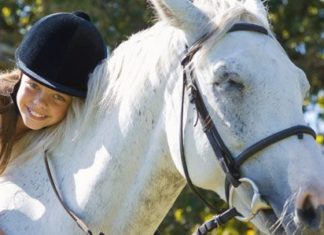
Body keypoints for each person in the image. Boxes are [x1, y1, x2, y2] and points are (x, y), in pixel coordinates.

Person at [0, 11, 107, 175]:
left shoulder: (63, 139)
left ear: (73, 105)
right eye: (33, 86)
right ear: (21, 77)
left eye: (58, 97)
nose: (40, 103)